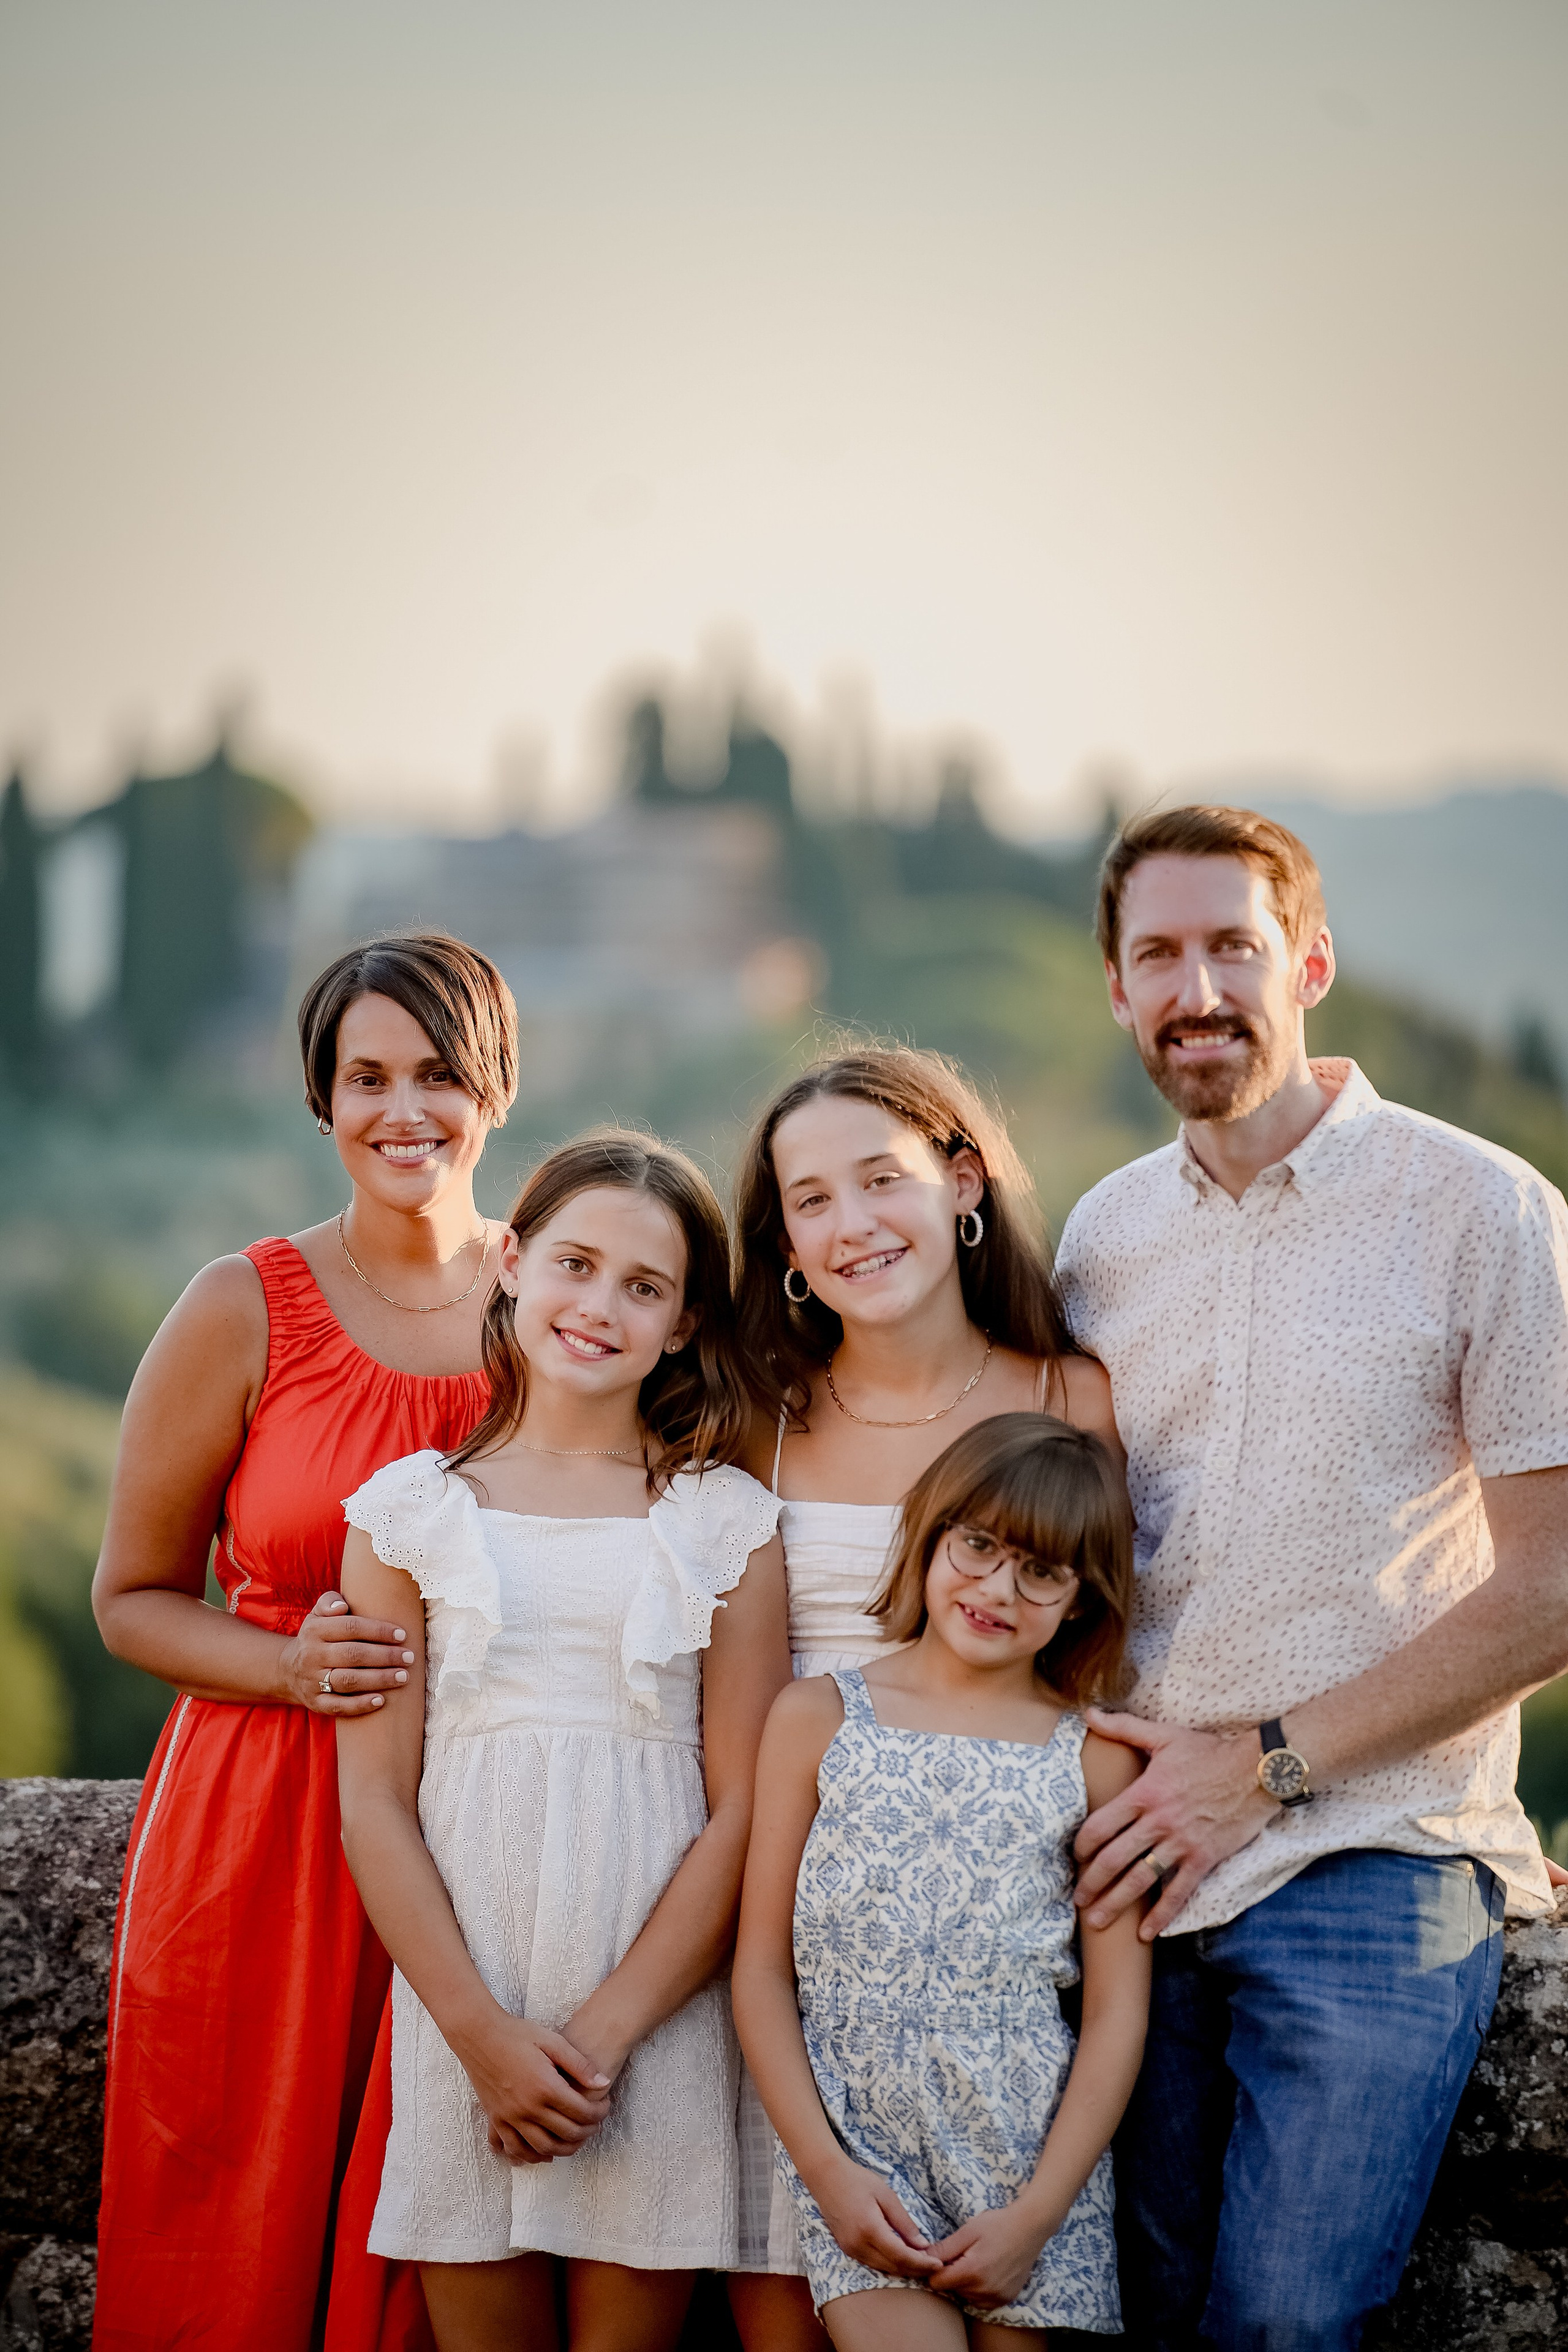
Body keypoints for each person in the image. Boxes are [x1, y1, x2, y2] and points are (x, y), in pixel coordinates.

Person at [1054, 804, 1568, 2351]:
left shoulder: (1481, 1208)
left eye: (1233, 945)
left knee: (1283, 2325)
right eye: (1157, 953)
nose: (1195, 986)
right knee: (1127, 2313)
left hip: (1374, 1851)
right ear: (1116, 989)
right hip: (1136, 1862)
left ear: (1311, 963)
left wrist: (1267, 1769)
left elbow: (1550, 1583)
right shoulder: (1100, 1238)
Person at [92, 933, 518, 2352]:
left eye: (440, 1074)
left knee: (444, 2225)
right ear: (323, 1104)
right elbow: (131, 1595)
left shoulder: (566, 1303)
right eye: (366, 1078)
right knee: (236, 2211)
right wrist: (284, 1665)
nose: (405, 1110)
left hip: (489, 1825)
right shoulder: (238, 1305)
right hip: (261, 1825)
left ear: (497, 1088)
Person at [334, 1132, 792, 2352]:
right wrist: (481, 2038)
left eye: (642, 1287)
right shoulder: (405, 1516)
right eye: (575, 1265)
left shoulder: (724, 1525)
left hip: (652, 2016)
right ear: (511, 1261)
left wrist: (601, 2039)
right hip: (462, 2005)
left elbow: (740, 1811)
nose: (598, 1306)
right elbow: (373, 1801)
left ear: (684, 1323)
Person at [723, 1044, 1121, 2344]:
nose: (849, 1225)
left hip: (1002, 1955)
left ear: (961, 1185)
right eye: (810, 1198)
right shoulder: (760, 1420)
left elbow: (1104, 1659)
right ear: (780, 1236)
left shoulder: (1069, 1396)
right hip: (801, 1911)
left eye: (878, 1180)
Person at [734, 1412, 1150, 2349]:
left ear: (1081, 1599)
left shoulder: (1094, 1758)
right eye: (979, 1545)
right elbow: (760, 1970)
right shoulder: (817, 1717)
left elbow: (1117, 2013)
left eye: (1042, 1570)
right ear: (931, 1533)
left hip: (1031, 2163)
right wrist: (828, 2173)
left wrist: (1041, 2214)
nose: (999, 1587)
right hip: (861, 2151)